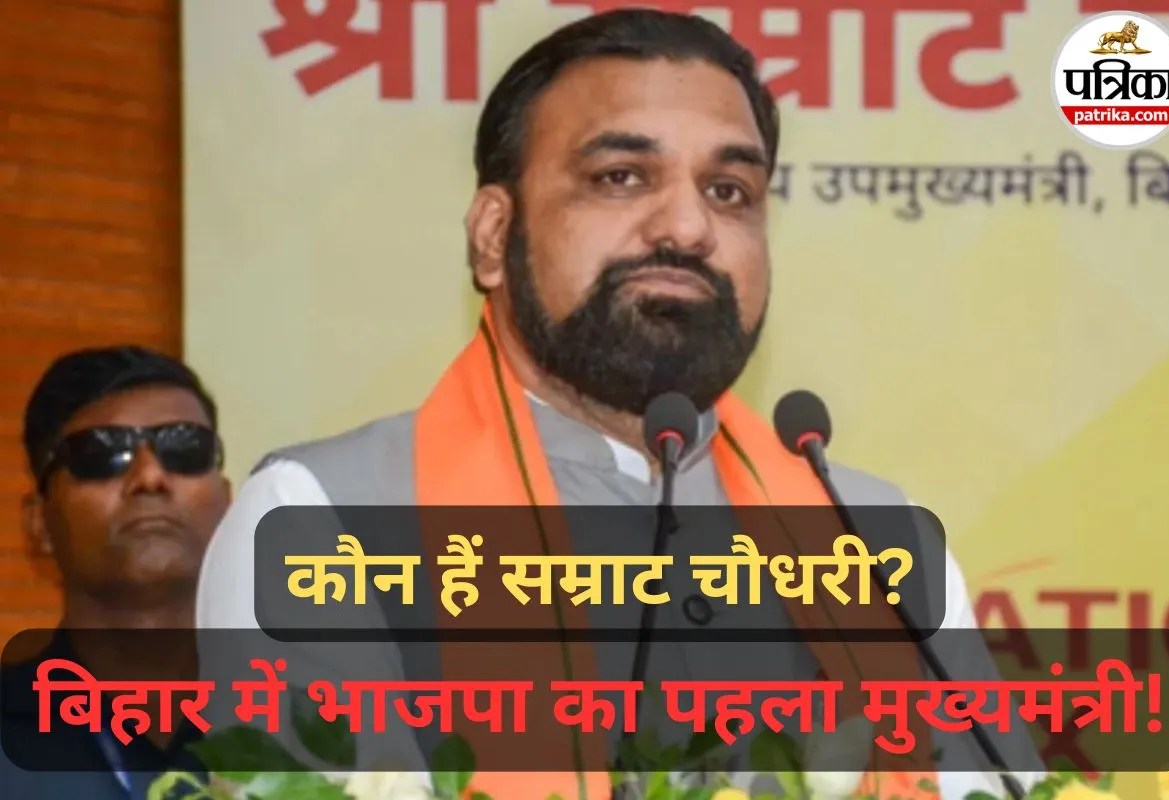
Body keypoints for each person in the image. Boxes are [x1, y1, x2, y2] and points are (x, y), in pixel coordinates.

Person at [196, 10, 1040, 800]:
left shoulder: (881, 540)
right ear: (493, 235)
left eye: (729, 191)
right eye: (621, 177)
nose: (688, 227)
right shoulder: (319, 519)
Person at [1, 346, 231, 799]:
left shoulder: (321, 729)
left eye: (185, 448)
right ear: (39, 522)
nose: (150, 477)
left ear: (228, 503)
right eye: (102, 453)